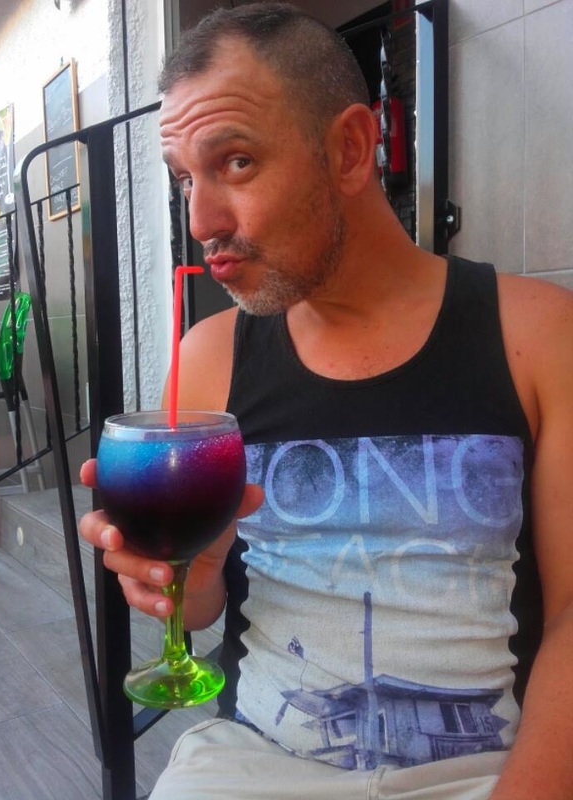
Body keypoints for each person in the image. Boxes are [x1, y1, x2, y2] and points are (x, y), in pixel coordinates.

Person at [79, 3, 573, 799]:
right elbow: (198, 609)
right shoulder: (208, 358)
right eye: (185, 179)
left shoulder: (541, 335)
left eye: (236, 162)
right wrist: (175, 572)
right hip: (254, 762)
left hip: (486, 769)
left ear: (348, 148)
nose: (201, 221)